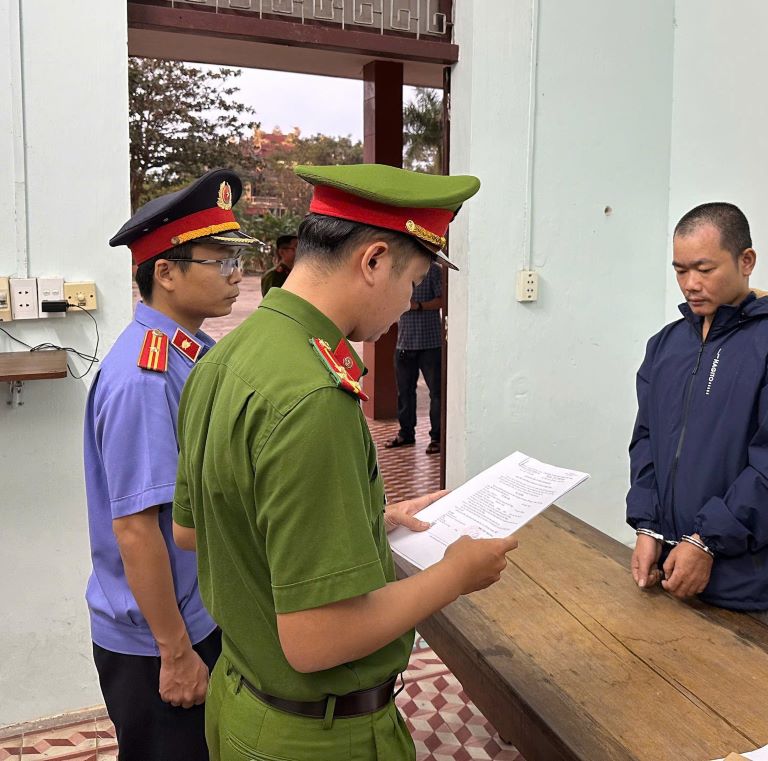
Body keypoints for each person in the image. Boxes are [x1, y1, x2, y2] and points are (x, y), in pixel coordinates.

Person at [172, 163, 518, 760]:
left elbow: (193, 528)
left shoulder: (228, 356)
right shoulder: (312, 395)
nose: (407, 302)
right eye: (413, 282)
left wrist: (363, 518)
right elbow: (317, 640)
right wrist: (454, 576)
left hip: (243, 700)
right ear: (374, 260)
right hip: (314, 736)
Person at [84, 169, 259, 760]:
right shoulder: (143, 377)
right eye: (220, 260)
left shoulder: (193, 351)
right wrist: (176, 652)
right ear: (166, 272)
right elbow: (136, 528)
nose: (236, 275)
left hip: (195, 618)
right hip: (158, 639)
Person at [626, 202, 768, 637]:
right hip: (672, 570)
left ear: (747, 261)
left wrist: (706, 541)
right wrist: (648, 524)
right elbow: (647, 443)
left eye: (704, 268)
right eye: (680, 270)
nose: (690, 284)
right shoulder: (666, 346)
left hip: (750, 587)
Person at [385, 261, 444, 454]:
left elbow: (442, 300)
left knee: (436, 393)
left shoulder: (434, 270)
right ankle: (406, 434)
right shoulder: (399, 269)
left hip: (431, 343)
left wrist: (417, 305)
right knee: (404, 393)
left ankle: (437, 438)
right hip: (404, 343)